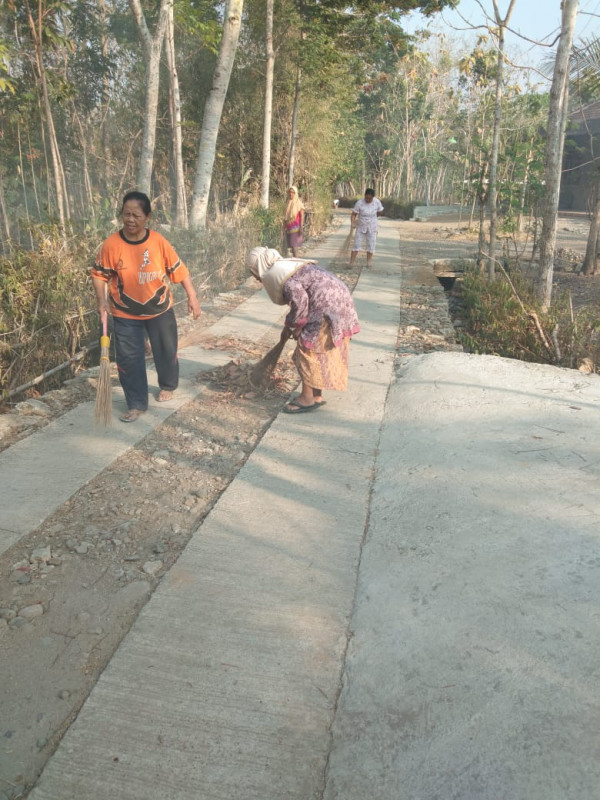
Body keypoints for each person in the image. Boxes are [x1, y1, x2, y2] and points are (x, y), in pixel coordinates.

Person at [91, 191, 201, 423]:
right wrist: (101, 301)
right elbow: (99, 275)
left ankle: (168, 384)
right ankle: (136, 403)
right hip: (124, 312)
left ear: (148, 217)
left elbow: (179, 270)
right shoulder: (111, 244)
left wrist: (192, 296)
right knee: (129, 359)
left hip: (159, 309)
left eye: (136, 215)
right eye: (126, 214)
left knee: (166, 350)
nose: (130, 219)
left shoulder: (158, 241)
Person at [246, 247, 360, 414]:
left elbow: (300, 300)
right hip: (339, 301)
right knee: (319, 350)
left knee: (305, 352)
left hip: (326, 308)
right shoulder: (286, 266)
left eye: (254, 273)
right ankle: (316, 395)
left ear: (258, 268)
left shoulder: (278, 274)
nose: (256, 278)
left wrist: (297, 326)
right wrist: (289, 325)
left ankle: (306, 399)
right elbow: (300, 299)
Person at [350, 188, 384, 269]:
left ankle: (368, 262)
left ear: (373, 197)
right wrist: (353, 223)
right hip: (361, 225)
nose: (368, 199)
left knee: (371, 245)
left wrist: (374, 218)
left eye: (370, 198)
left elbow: (379, 212)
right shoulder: (359, 203)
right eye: (366, 198)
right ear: (364, 196)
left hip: (372, 226)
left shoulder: (377, 202)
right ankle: (351, 262)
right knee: (356, 244)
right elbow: (353, 214)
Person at [283, 185, 305, 257]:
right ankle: (295, 263)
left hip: (296, 228)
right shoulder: (288, 203)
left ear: (296, 193)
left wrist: (301, 227)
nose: (291, 194)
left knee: (294, 248)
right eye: (290, 192)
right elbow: (285, 217)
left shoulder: (298, 203)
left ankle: (298, 264)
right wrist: (283, 227)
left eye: (293, 192)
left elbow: (302, 215)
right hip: (289, 228)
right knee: (292, 248)